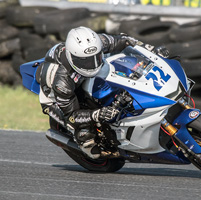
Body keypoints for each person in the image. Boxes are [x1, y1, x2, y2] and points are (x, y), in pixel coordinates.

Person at [38, 26, 169, 159]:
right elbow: (72, 115)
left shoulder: (100, 42)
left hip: (80, 79)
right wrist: (97, 114)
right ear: (73, 58)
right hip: (55, 99)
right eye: (86, 61)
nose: (92, 64)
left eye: (96, 57)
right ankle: (85, 145)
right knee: (84, 132)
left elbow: (127, 41)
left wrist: (150, 50)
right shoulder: (62, 82)